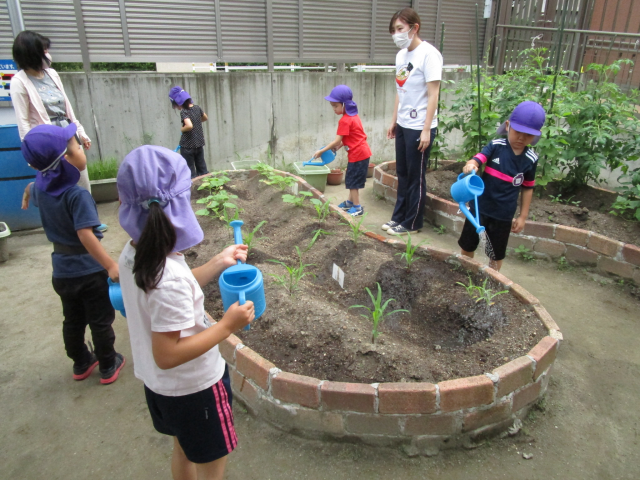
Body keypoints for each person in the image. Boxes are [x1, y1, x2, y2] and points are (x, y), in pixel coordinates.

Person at [116, 145, 254, 479]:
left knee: (183, 449)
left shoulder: (135, 254)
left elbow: (168, 294)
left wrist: (216, 263)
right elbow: (167, 353)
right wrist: (226, 326)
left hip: (161, 388)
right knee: (211, 466)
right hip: (195, 391)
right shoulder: (170, 277)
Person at [20, 124, 125, 384]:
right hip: (89, 270)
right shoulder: (77, 195)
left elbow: (34, 188)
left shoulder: (40, 190)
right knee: (100, 319)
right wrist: (110, 264)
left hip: (62, 272)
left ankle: (80, 362)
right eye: (78, 146)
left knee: (73, 319)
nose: (82, 149)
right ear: (65, 159)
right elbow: (85, 234)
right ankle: (108, 365)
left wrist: (28, 189)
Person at [458, 101, 546, 271]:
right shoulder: (496, 146)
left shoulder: (531, 159)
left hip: (504, 215)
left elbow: (527, 188)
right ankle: (464, 272)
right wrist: (472, 165)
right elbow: (478, 158)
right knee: (468, 244)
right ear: (507, 126)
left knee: (496, 253)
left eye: (527, 135)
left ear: (536, 136)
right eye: (517, 132)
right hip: (479, 208)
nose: (521, 138)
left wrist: (522, 216)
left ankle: (492, 281)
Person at [384, 8, 443, 235]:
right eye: (393, 31)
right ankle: (399, 217)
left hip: (420, 126)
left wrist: (427, 129)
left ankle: (412, 222)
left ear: (414, 27)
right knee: (403, 173)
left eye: (400, 29)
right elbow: (401, 89)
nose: (396, 34)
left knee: (416, 176)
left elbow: (433, 94)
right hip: (403, 124)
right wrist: (394, 120)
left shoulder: (430, 54)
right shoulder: (401, 56)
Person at [313, 85, 372, 217]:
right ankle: (349, 203)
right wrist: (339, 147)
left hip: (358, 155)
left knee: (352, 182)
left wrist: (321, 151)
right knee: (353, 180)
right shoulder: (354, 116)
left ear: (345, 105)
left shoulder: (344, 121)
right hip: (362, 152)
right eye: (332, 106)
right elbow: (350, 137)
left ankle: (357, 207)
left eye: (335, 106)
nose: (333, 109)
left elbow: (336, 140)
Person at [169, 86, 209, 178]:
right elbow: (205, 118)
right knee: (202, 169)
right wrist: (197, 121)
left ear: (178, 102)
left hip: (187, 147)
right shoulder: (197, 108)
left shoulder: (184, 112)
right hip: (199, 144)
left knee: (190, 172)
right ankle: (206, 188)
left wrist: (182, 129)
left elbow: (189, 126)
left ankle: (192, 189)